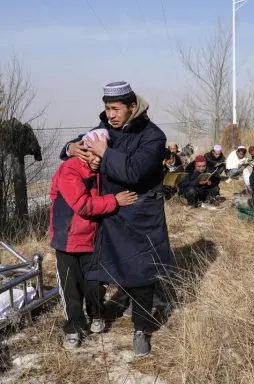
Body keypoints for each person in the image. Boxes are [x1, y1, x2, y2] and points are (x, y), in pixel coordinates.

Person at [62, 81, 172, 356]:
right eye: (107, 108)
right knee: (113, 268)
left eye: (115, 108)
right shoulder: (102, 130)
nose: (110, 114)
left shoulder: (153, 136)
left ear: (131, 107)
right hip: (110, 213)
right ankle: (99, 313)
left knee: (142, 272)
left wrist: (105, 153)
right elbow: (79, 149)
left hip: (141, 213)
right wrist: (70, 148)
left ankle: (142, 329)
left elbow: (134, 172)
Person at [51, 129, 137, 349]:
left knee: (95, 284)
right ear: (82, 150)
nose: (96, 160)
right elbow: (82, 205)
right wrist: (114, 201)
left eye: (100, 155)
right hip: (67, 240)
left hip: (92, 238)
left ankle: (97, 314)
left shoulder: (102, 171)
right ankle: (74, 328)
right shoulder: (69, 169)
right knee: (71, 288)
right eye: (91, 154)